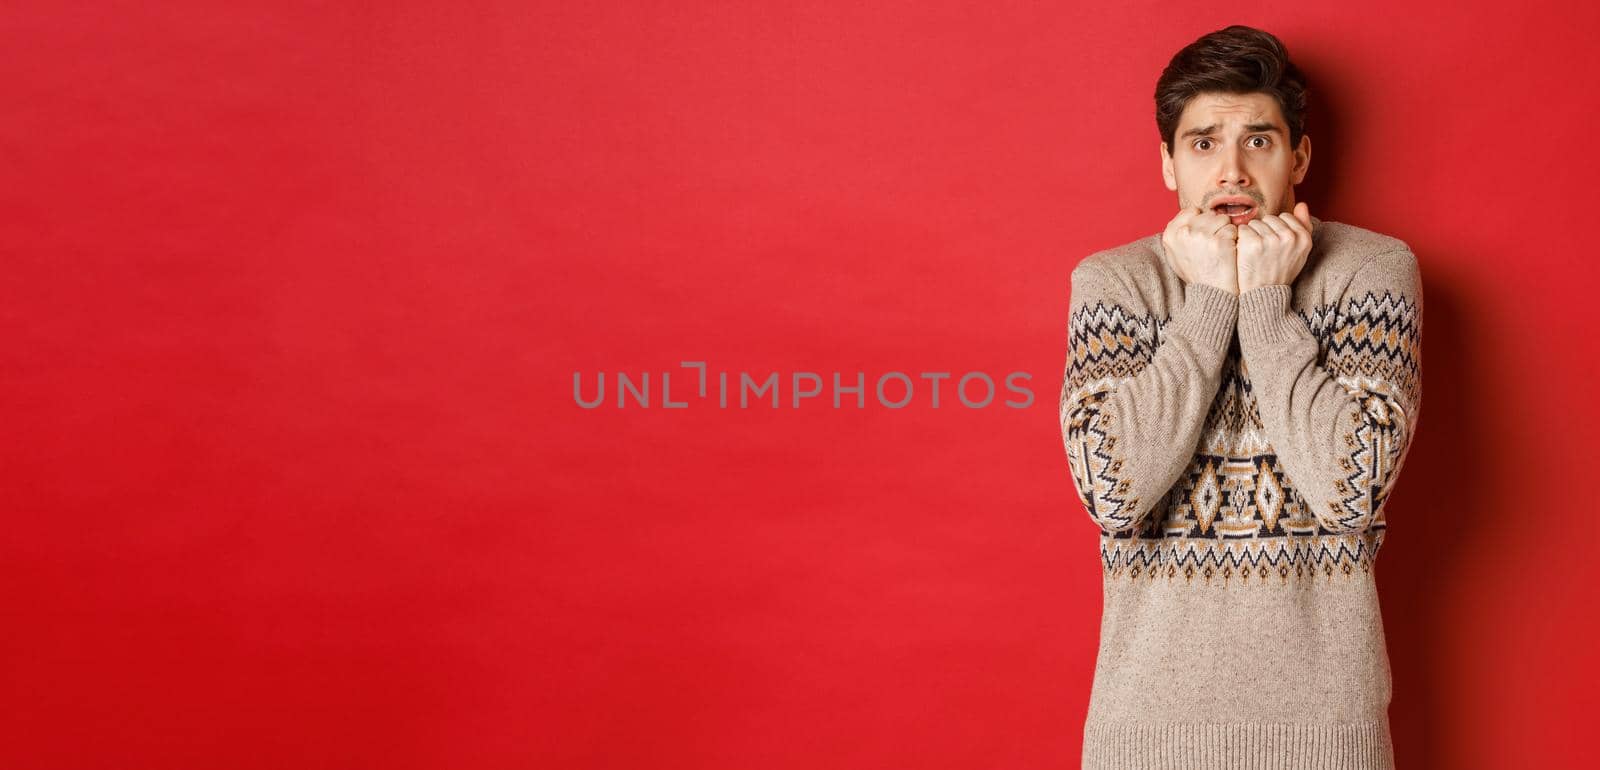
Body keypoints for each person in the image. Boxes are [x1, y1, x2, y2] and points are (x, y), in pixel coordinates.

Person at [1058, 24, 1422, 769]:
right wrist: (1207, 305)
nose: (1230, 170)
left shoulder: (1373, 271)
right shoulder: (1114, 282)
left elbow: (1348, 491)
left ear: (1300, 156)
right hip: (1145, 735)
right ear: (1167, 164)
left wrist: (1263, 301)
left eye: (1258, 141)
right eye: (1202, 144)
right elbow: (1113, 494)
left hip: (1328, 737)